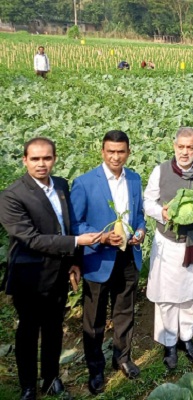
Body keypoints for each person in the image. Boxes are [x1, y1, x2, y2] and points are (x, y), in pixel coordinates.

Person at [0, 138, 101, 400]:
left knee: (55, 328)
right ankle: (28, 386)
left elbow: (66, 226)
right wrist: (77, 242)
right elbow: (31, 239)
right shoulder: (12, 196)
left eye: (46, 158)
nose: (41, 164)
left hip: (58, 271)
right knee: (28, 331)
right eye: (35, 159)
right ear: (25, 160)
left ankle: (50, 378)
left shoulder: (61, 185)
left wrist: (75, 261)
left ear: (54, 159)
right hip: (30, 276)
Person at [70, 131, 146, 394]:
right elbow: (75, 224)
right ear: (102, 151)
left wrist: (140, 232)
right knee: (95, 319)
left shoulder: (134, 179)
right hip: (98, 259)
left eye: (121, 151)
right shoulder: (84, 182)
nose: (116, 156)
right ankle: (95, 369)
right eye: (110, 151)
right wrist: (101, 237)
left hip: (127, 256)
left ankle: (122, 358)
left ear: (128, 152)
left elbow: (139, 216)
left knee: (125, 311)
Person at [143, 127, 193, 369]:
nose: (185, 152)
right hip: (167, 242)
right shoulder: (160, 171)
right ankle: (168, 343)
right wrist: (163, 213)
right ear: (174, 146)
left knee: (189, 295)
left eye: (190, 147)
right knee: (166, 296)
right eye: (181, 147)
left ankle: (186, 339)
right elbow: (148, 202)